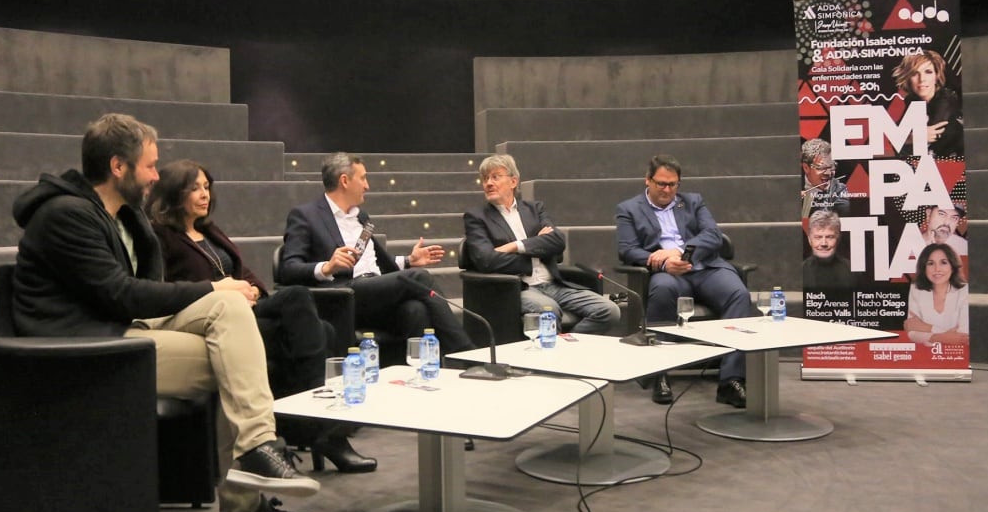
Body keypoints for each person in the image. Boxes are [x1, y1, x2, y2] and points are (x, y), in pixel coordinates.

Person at [12, 113, 319, 512]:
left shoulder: (123, 215)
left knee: (230, 309)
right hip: (84, 344)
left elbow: (141, 291)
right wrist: (211, 284)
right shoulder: (66, 215)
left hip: (119, 324)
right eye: (150, 166)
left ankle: (257, 448)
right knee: (232, 359)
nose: (157, 176)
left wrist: (220, 291)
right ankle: (243, 509)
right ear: (118, 166)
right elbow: (120, 294)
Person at [146, 159, 376, 474]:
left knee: (321, 328)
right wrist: (221, 291)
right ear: (174, 194)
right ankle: (321, 432)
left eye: (207, 187)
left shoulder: (209, 231)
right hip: (209, 318)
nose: (205, 195)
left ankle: (308, 429)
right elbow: (167, 290)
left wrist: (252, 289)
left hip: (247, 309)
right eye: (195, 188)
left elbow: (245, 273)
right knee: (299, 301)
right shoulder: (160, 237)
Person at [278, 152, 474, 359]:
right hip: (344, 295)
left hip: (373, 290)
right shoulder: (305, 215)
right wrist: (326, 267)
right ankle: (465, 354)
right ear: (344, 180)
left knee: (416, 310)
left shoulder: (361, 217)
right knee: (420, 277)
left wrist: (409, 261)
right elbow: (288, 268)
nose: (367, 185)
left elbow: (375, 263)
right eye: (362, 178)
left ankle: (411, 375)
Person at [615, 155, 753, 408]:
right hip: (669, 274)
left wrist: (677, 251)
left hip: (704, 267)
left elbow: (713, 236)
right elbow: (627, 250)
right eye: (662, 184)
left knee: (739, 295)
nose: (668, 190)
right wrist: (664, 262)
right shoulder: (629, 209)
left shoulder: (693, 201)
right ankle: (660, 372)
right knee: (663, 289)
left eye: (673, 184)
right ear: (647, 180)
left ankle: (731, 380)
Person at [462, 153, 620, 334]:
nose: (488, 183)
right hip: (519, 287)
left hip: (554, 284)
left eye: (495, 177)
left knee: (609, 310)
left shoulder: (535, 209)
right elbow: (486, 260)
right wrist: (535, 250)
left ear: (513, 182)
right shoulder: (476, 217)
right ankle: (556, 356)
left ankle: (569, 345)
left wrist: (515, 246)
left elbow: (557, 242)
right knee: (548, 310)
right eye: (485, 178)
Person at [892, 50, 963, 159]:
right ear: (908, 78)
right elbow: (895, 143)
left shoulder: (946, 99)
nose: (922, 79)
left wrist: (908, 139)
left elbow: (930, 136)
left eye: (928, 72)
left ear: (936, 76)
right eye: (915, 73)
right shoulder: (911, 101)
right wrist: (910, 138)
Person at [904, 243, 969, 347]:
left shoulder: (965, 291)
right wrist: (945, 337)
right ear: (924, 268)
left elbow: (964, 336)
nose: (937, 269)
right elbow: (912, 332)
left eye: (943, 263)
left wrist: (927, 328)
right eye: (930, 263)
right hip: (926, 357)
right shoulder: (916, 289)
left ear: (952, 266)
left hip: (959, 356)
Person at [802, 209, 857, 289]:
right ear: (809, 240)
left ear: (838, 239)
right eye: (818, 237)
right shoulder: (798, 273)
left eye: (830, 237)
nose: (824, 243)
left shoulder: (853, 272)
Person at [800, 138, 849, 217]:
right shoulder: (793, 182)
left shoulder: (839, 190)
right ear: (806, 168)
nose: (829, 173)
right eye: (822, 167)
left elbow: (843, 211)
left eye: (832, 166)